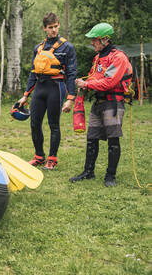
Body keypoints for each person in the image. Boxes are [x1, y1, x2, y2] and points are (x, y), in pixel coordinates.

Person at [70, 23, 133, 187]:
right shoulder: (98, 58)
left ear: (105, 40)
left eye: (95, 40)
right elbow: (95, 77)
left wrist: (87, 85)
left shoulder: (118, 57)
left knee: (113, 140)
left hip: (113, 103)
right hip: (98, 103)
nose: (92, 43)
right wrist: (84, 82)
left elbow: (110, 82)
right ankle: (88, 172)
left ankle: (110, 177)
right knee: (92, 138)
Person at [17, 12, 77, 170]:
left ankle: (52, 159)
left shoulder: (67, 47)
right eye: (50, 27)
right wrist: (25, 96)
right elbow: (32, 72)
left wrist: (70, 98)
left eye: (56, 26)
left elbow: (71, 74)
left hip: (56, 88)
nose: (54, 30)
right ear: (44, 28)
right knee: (34, 124)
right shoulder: (38, 48)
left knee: (54, 124)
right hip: (40, 88)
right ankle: (39, 156)